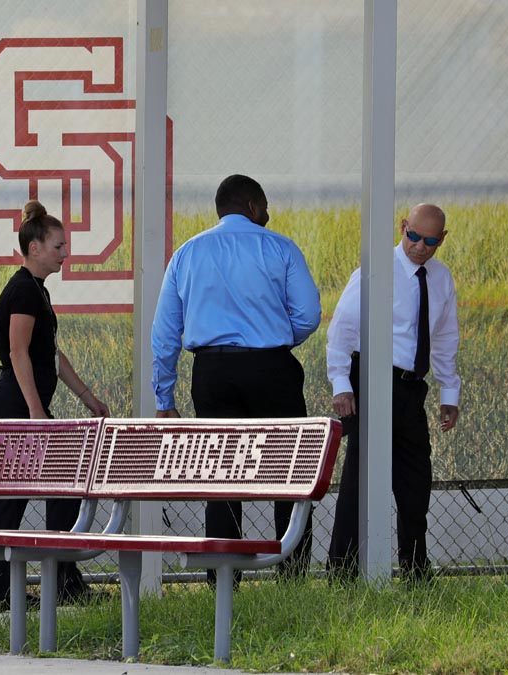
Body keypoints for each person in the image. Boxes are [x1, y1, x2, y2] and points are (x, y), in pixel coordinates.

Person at [151, 174, 321, 586]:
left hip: (212, 372)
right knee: (290, 473)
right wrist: (276, 339)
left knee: (222, 476)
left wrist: (164, 396)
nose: (269, 213)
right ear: (251, 206)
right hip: (272, 369)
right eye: (264, 205)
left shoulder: (187, 254)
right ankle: (294, 575)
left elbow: (165, 332)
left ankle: (222, 579)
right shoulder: (280, 247)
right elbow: (309, 314)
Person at [0, 200, 110, 613]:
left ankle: (61, 576)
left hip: (28, 401)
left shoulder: (38, 290)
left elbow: (51, 355)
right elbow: (18, 352)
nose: (65, 253)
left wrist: (89, 398)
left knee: (60, 483)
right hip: (18, 401)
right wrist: (36, 412)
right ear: (34, 247)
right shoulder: (22, 288)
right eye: (58, 246)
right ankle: (2, 589)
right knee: (15, 493)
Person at [326, 203, 460, 584]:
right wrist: (341, 385)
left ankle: (416, 569)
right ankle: (343, 571)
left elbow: (445, 338)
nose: (420, 246)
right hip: (371, 380)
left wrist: (448, 391)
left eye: (430, 241)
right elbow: (343, 330)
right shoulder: (376, 269)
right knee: (359, 482)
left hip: (410, 390)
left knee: (416, 480)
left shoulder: (440, 278)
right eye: (414, 236)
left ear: (442, 240)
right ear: (403, 227)